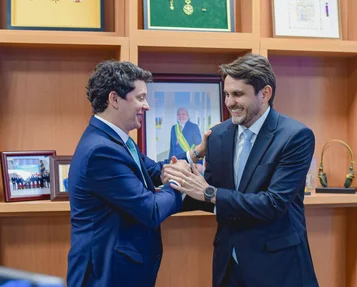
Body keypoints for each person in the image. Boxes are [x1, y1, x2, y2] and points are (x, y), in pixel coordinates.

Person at [165, 53, 319, 287]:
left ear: (265, 94)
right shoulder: (217, 136)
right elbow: (210, 195)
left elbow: (273, 204)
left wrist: (209, 192)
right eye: (227, 94)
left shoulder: (295, 137)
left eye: (237, 94)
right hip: (228, 267)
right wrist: (177, 187)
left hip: (278, 268)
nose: (229, 103)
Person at [66, 60, 198, 287]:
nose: (146, 106)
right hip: (105, 276)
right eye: (140, 98)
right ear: (114, 99)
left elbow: (155, 171)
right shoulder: (101, 151)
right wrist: (179, 179)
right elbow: (151, 209)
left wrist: (195, 153)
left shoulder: (117, 140)